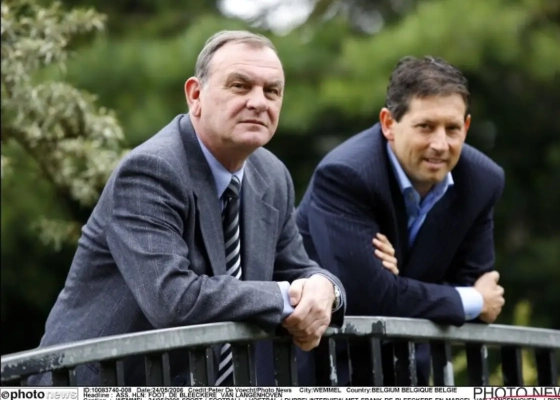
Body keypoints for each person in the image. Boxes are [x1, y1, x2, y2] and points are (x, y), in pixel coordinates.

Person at [28, 30, 346, 387]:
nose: (259, 102)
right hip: (95, 383)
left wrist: (325, 288)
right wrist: (285, 298)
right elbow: (172, 299)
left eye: (272, 91)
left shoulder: (272, 175)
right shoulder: (151, 170)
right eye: (240, 86)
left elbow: (297, 268)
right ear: (195, 95)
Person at [296, 56, 506, 385]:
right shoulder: (345, 175)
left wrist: (396, 284)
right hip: (323, 369)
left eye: (452, 128)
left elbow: (470, 280)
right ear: (388, 124)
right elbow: (365, 300)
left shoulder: (482, 180)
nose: (440, 144)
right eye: (426, 127)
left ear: (466, 127)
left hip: (409, 372)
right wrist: (474, 301)